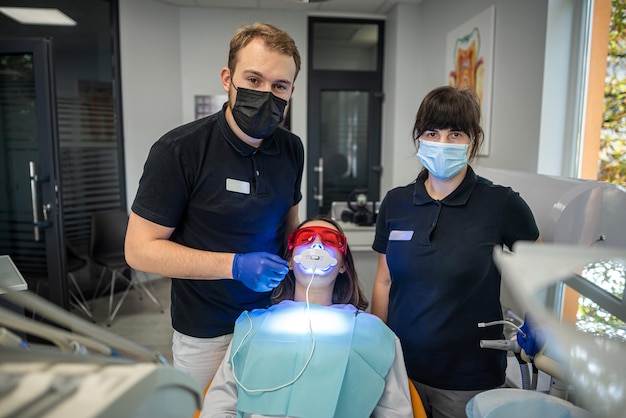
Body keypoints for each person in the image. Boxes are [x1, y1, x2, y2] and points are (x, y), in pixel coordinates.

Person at [124, 22, 303, 390]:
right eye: (254, 80)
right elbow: (139, 251)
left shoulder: (291, 149)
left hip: (273, 320)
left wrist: (314, 247)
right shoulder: (179, 150)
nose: (266, 93)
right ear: (227, 78)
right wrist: (234, 266)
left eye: (279, 86)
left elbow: (290, 224)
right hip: (205, 333)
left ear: (291, 91)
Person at [371, 86, 540, 418]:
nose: (443, 143)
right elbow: (384, 282)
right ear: (419, 137)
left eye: (455, 133)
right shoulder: (396, 203)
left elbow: (542, 267)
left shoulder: (501, 203)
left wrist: (538, 319)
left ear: (472, 141)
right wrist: (377, 349)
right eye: (432, 132)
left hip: (468, 379)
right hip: (402, 373)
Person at [201, 216, 413, 418]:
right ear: (290, 261)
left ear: (343, 265)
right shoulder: (252, 326)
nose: (317, 246)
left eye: (330, 240)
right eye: (306, 238)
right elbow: (219, 404)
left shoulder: (374, 334)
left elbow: (396, 412)